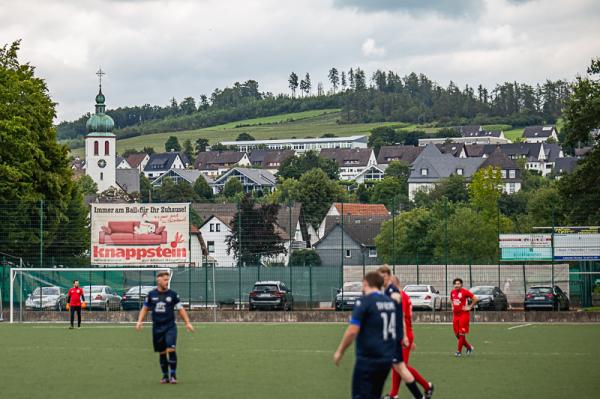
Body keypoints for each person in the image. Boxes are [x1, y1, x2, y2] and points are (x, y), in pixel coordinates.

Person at [333, 272, 410, 399]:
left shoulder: (365, 301)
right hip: (386, 359)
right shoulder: (390, 303)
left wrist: (340, 351)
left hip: (368, 359)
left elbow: (352, 331)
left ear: (366, 283)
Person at [135, 271, 194, 384]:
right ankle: (165, 376)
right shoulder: (151, 295)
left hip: (170, 327)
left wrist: (187, 322)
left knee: (171, 349)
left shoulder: (173, 294)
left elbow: (181, 309)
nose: (167, 282)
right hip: (157, 328)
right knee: (162, 352)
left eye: (168, 280)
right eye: (165, 280)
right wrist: (139, 321)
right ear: (159, 280)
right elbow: (145, 309)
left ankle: (173, 375)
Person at [377, 267, 425, 399]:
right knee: (399, 367)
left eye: (384, 276)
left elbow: (401, 316)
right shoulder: (389, 292)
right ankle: (398, 394)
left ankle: (425, 388)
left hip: (398, 335)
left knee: (401, 367)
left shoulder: (395, 293)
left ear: (390, 279)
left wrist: (404, 336)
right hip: (397, 334)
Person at [450, 278, 479, 357]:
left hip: (464, 315)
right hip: (456, 315)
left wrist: (470, 306)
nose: (457, 285)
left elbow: (475, 299)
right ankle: (469, 347)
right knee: (457, 335)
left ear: (461, 285)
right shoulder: (452, 292)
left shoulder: (465, 292)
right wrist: (452, 306)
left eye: (458, 284)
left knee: (461, 333)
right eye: (456, 284)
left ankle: (458, 352)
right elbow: (452, 300)